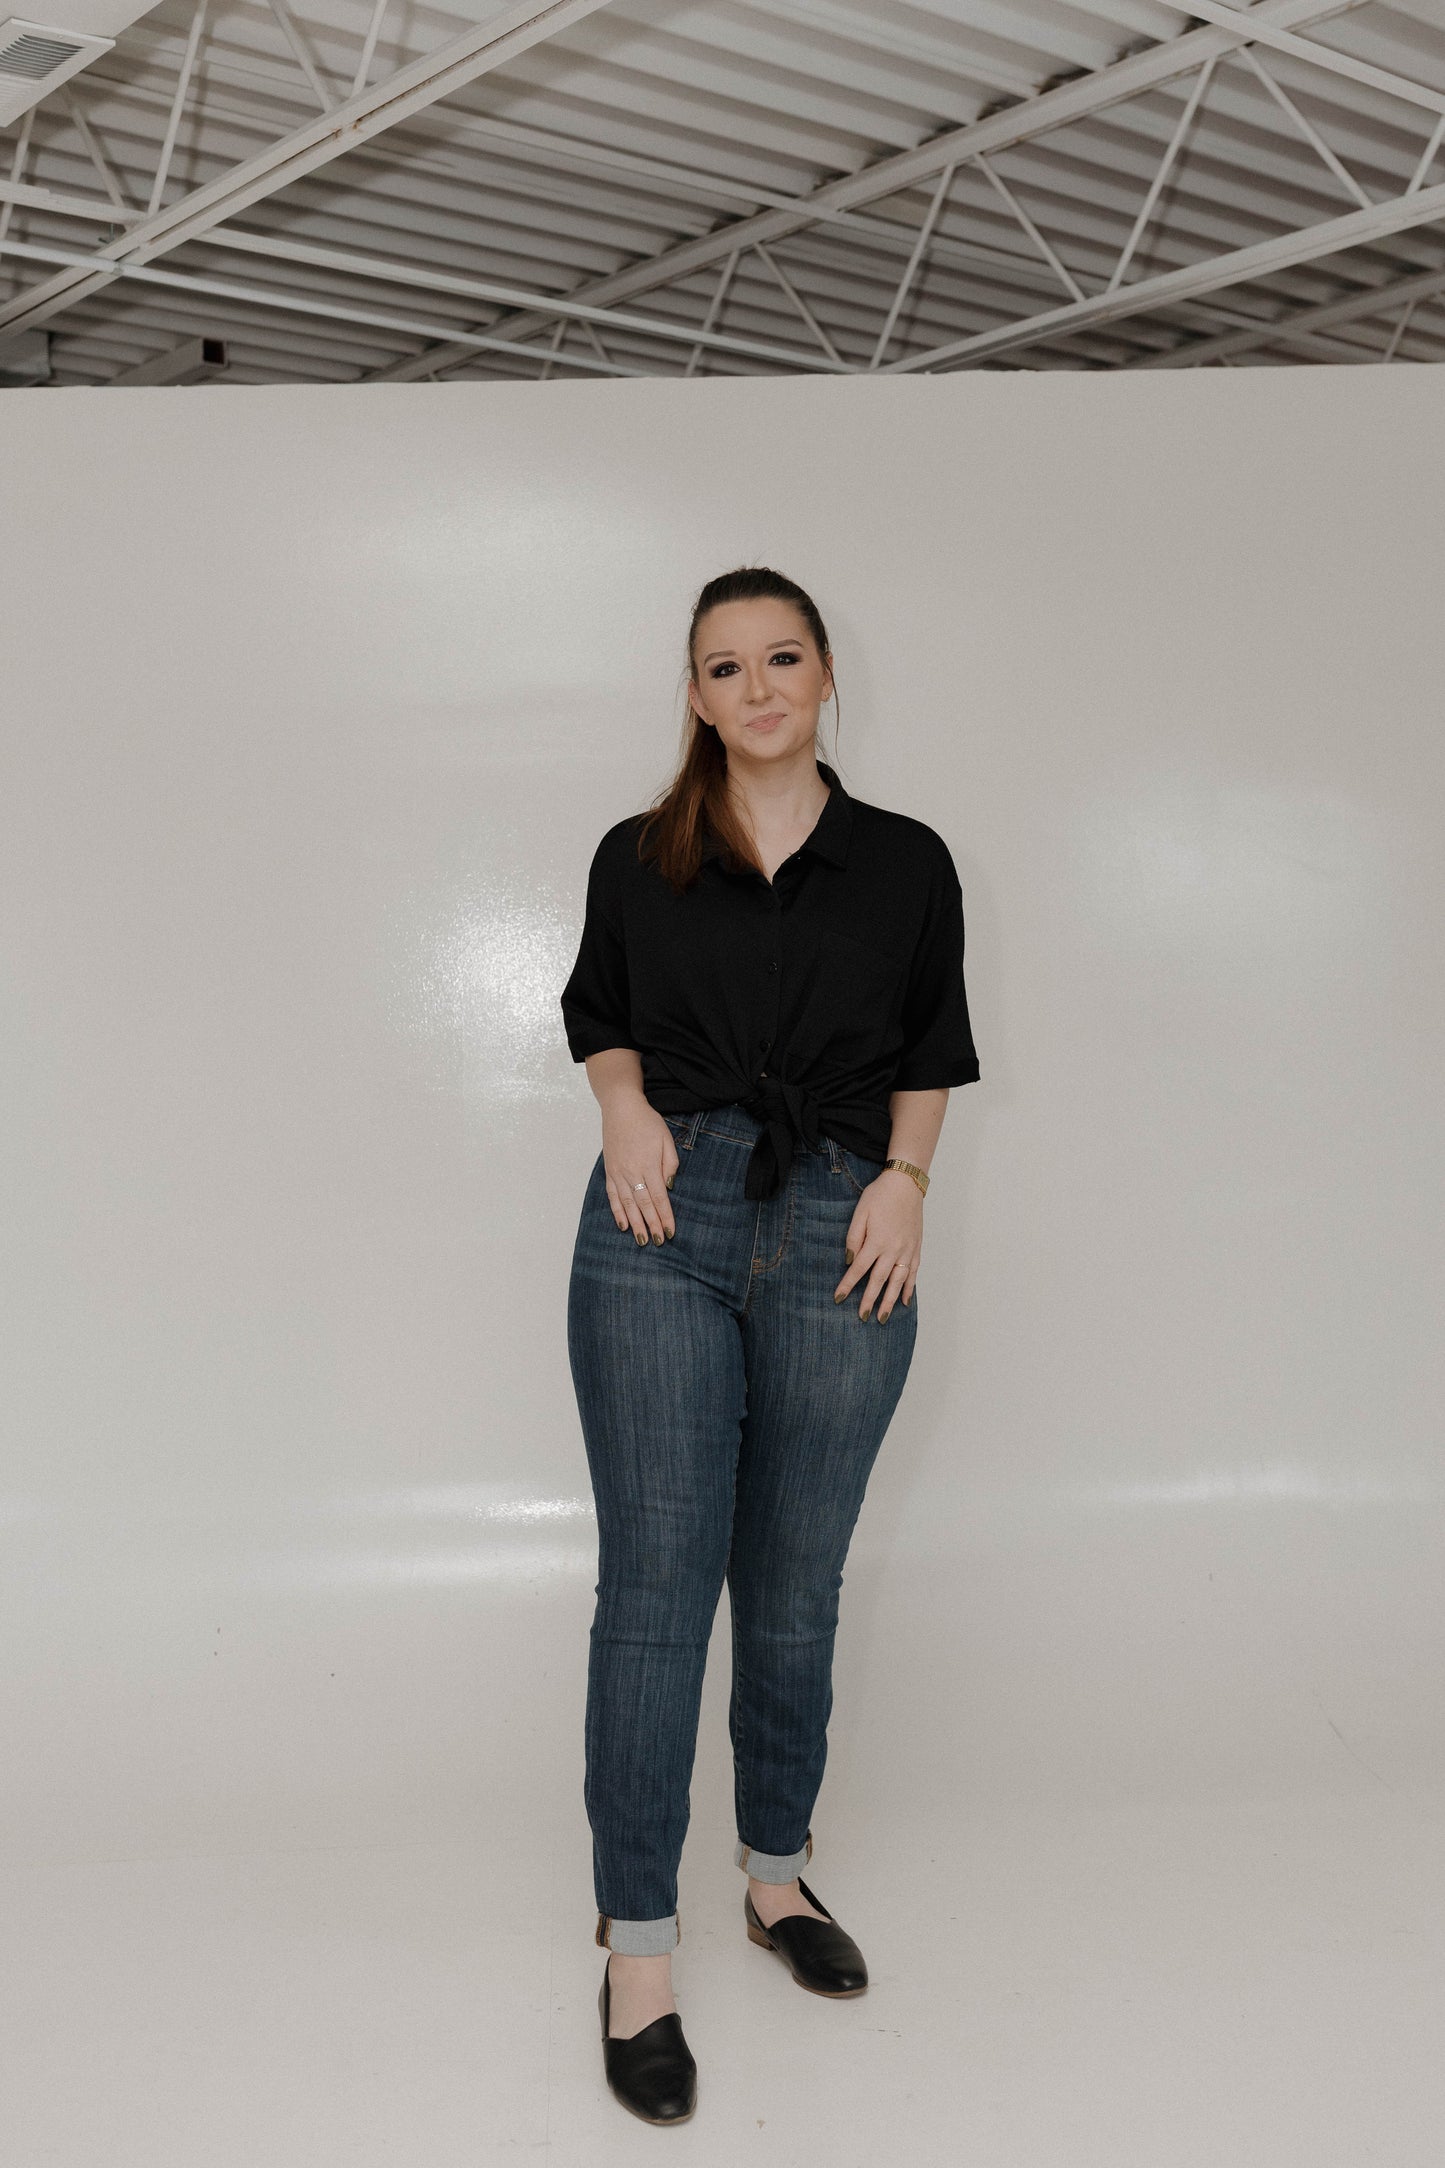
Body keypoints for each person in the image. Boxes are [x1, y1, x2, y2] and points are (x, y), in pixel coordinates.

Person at [559, 564, 980, 2125]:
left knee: (795, 1587)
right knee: (656, 1593)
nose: (754, 687)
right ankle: (638, 1955)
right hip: (659, 1217)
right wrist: (622, 1113)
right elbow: (600, 1014)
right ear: (693, 695)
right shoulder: (639, 855)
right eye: (723, 667)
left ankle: (776, 1879)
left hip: (840, 1226)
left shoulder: (905, 861)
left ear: (822, 677)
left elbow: (929, 1047)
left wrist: (904, 1184)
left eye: (780, 657)